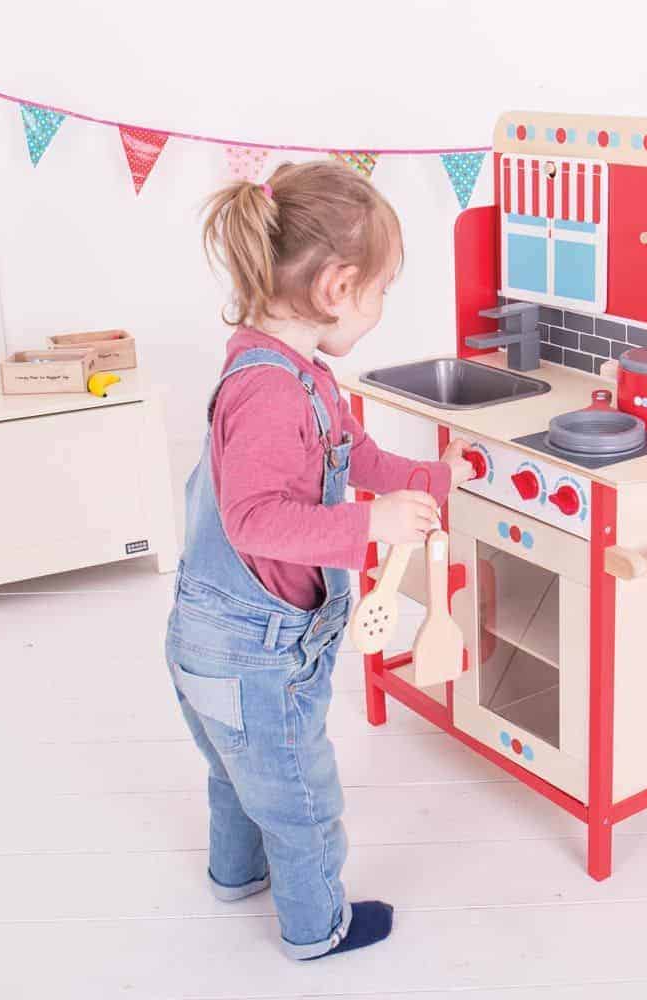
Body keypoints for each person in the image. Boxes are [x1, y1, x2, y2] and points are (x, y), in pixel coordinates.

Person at [164, 160, 474, 960]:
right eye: (383, 291)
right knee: (300, 799)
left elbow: (351, 454)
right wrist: (370, 525)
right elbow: (257, 520)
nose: (379, 309)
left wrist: (429, 481)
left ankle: (235, 878)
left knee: (240, 778)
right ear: (338, 288)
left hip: (218, 647)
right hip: (253, 655)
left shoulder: (300, 372)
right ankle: (316, 928)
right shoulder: (267, 395)